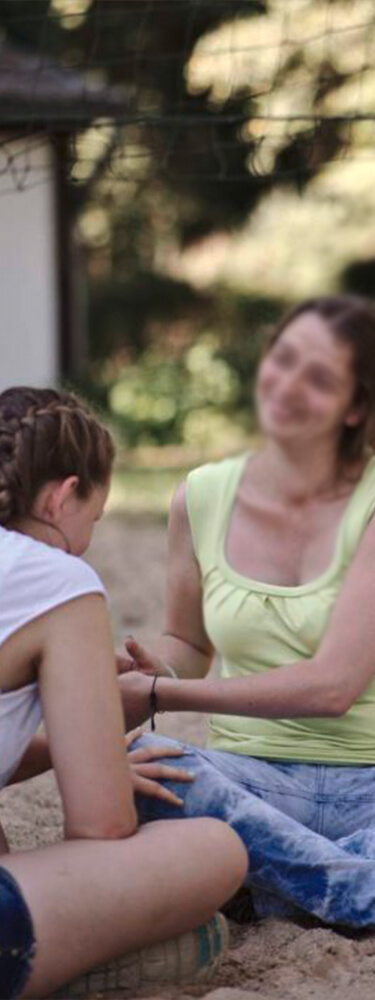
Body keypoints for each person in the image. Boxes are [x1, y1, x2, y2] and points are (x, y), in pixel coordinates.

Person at [119, 294, 375, 930]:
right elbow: (186, 640)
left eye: (319, 378)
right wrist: (159, 673)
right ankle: (348, 889)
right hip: (249, 782)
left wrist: (164, 694)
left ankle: (273, 884)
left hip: (368, 787)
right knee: (144, 768)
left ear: (357, 407)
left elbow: (333, 687)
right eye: (283, 360)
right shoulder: (200, 496)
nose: (288, 386)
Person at [0, 386, 246, 1000]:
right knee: (216, 850)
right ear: (62, 497)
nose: (87, 541)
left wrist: (73, 736)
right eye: (94, 519)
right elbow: (102, 826)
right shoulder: (57, 577)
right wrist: (100, 751)